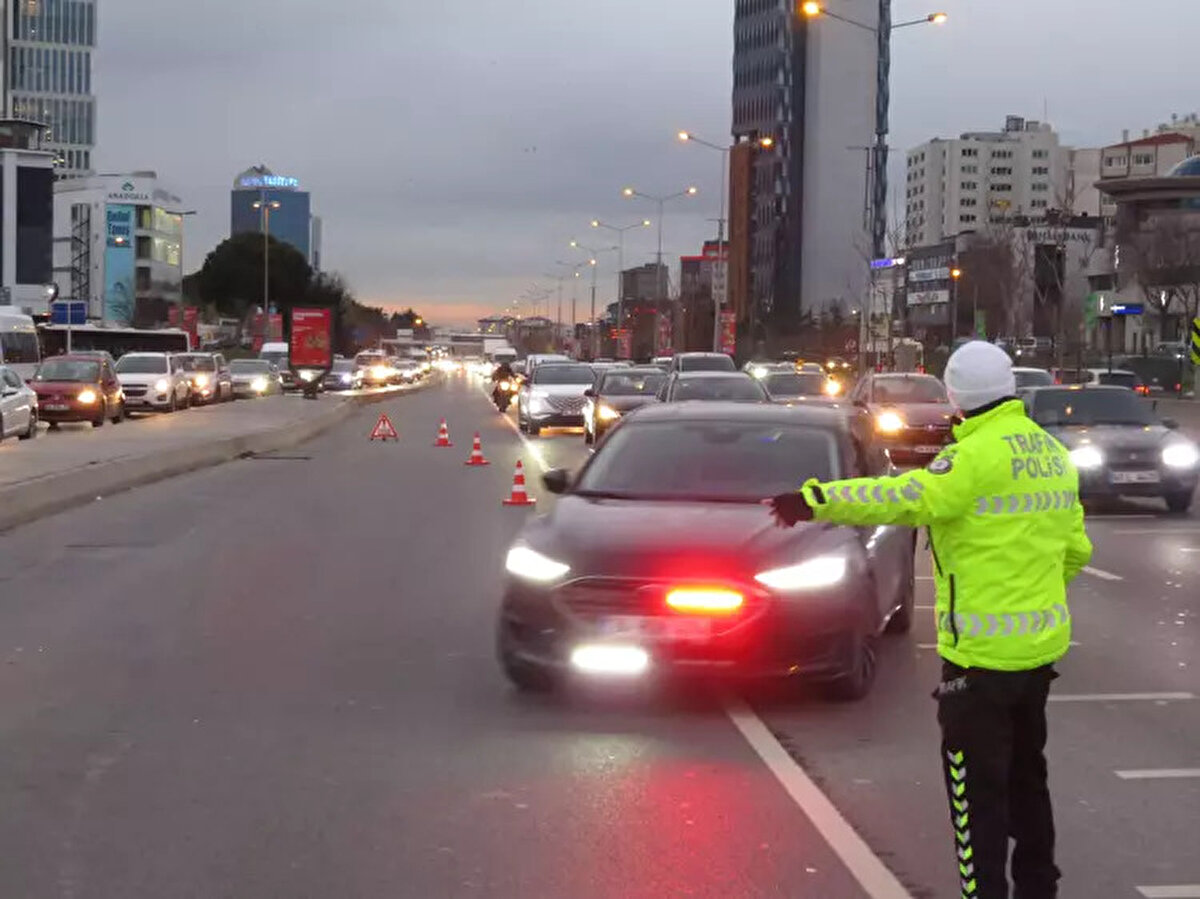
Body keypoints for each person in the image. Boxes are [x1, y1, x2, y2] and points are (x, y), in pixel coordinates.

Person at [769, 340, 1092, 899]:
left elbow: (901, 497)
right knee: (1027, 781)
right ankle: (1038, 888)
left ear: (957, 396)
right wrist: (1030, 598)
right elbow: (1077, 551)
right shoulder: (1051, 454)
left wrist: (814, 500)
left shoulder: (969, 459)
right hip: (1036, 656)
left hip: (978, 664)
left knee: (975, 801)